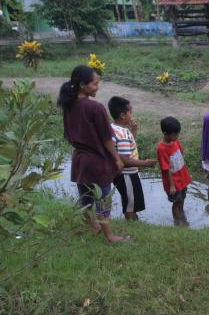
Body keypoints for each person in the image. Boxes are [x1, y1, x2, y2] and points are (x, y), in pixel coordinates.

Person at [58, 65, 130, 244]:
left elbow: (67, 134)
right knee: (103, 198)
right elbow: (107, 138)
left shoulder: (68, 105)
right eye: (95, 84)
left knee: (86, 198)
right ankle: (110, 236)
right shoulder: (95, 107)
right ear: (83, 85)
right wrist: (116, 159)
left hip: (80, 159)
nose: (97, 87)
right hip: (97, 160)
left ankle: (94, 226)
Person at [108, 96, 157, 220]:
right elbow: (125, 160)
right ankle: (131, 222)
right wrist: (145, 163)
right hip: (127, 174)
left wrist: (133, 131)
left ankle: (132, 219)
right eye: (130, 112)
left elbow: (126, 148)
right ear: (123, 115)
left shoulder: (114, 128)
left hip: (120, 174)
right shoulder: (123, 133)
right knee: (130, 202)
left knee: (130, 199)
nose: (132, 115)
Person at [157, 116, 192, 225]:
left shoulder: (175, 142)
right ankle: (177, 221)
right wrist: (172, 186)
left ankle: (182, 215)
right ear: (166, 134)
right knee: (176, 202)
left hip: (182, 178)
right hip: (173, 182)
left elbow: (180, 154)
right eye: (174, 134)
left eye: (177, 134)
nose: (177, 136)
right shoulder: (161, 148)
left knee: (182, 198)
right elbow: (166, 168)